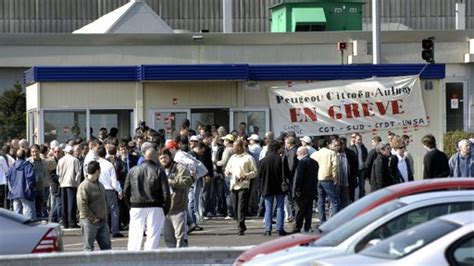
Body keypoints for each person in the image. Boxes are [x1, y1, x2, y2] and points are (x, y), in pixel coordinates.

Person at [124, 148, 171, 250]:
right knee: (153, 235)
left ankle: (131, 258)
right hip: (155, 205)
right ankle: (150, 258)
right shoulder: (159, 170)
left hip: (136, 205)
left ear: (144, 156)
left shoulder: (133, 170)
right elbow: (166, 192)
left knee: (134, 235)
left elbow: (126, 191)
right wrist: (165, 209)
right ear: (155, 157)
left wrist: (130, 206)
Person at [159, 149, 193, 248]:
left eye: (165, 157)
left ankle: (183, 260)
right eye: (161, 158)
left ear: (170, 157)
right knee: (168, 238)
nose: (163, 160)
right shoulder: (159, 170)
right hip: (165, 210)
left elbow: (188, 181)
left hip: (178, 208)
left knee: (180, 237)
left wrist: (172, 182)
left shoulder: (180, 168)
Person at [76, 161, 111, 251]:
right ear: (97, 171)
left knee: (107, 248)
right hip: (89, 222)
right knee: (88, 248)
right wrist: (92, 218)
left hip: (102, 221)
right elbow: (82, 205)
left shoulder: (100, 185)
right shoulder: (84, 186)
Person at [225, 140, 257, 235]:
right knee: (235, 206)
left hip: (244, 185)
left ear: (240, 147)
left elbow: (255, 172)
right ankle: (241, 224)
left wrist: (246, 176)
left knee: (241, 207)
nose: (233, 148)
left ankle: (240, 227)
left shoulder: (249, 158)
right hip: (233, 185)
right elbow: (227, 168)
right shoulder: (232, 157)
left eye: (235, 147)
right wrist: (227, 172)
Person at [258, 141, 286, 236]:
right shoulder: (281, 159)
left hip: (267, 186)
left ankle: (267, 229)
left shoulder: (263, 161)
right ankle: (279, 228)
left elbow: (260, 175)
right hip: (279, 186)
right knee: (280, 207)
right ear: (277, 149)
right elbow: (287, 173)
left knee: (268, 208)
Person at [97, 146, 123, 238]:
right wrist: (119, 190)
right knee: (114, 210)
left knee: (102, 211)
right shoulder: (109, 165)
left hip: (98, 189)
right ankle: (115, 230)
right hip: (109, 189)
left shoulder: (95, 164)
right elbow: (114, 181)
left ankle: (103, 229)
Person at [311, 139, 339, 224]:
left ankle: (322, 221)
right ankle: (334, 222)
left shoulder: (315, 154)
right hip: (327, 178)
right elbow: (335, 166)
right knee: (335, 201)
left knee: (321, 201)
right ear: (327, 144)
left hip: (318, 178)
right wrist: (335, 177)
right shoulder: (331, 153)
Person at [292, 146, 318, 233]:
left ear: (302, 153)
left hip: (302, 190)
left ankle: (297, 227)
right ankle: (307, 227)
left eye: (298, 154)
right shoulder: (314, 162)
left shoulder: (302, 163)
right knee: (308, 210)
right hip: (311, 189)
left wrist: (296, 189)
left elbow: (299, 177)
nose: (297, 156)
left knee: (299, 210)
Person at [56, 145, 82, 228]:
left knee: (64, 203)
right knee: (71, 203)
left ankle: (65, 222)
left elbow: (58, 172)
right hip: (72, 183)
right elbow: (78, 173)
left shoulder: (61, 160)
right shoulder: (75, 160)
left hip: (63, 183)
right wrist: (77, 183)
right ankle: (72, 222)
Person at [6, 149, 36, 219]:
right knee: (28, 214)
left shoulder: (12, 166)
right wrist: (32, 187)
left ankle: (17, 229)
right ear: (25, 156)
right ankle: (28, 230)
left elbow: (8, 178)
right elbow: (31, 178)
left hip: (14, 193)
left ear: (17, 156)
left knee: (17, 216)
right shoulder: (28, 165)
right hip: (26, 193)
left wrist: (11, 189)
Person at [349, 133, 368, 199]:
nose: (360, 141)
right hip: (355, 170)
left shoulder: (362, 147)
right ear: (355, 139)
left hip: (361, 169)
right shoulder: (352, 147)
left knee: (362, 185)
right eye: (358, 139)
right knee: (354, 185)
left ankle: (362, 198)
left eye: (361, 139)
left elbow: (366, 155)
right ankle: (353, 199)